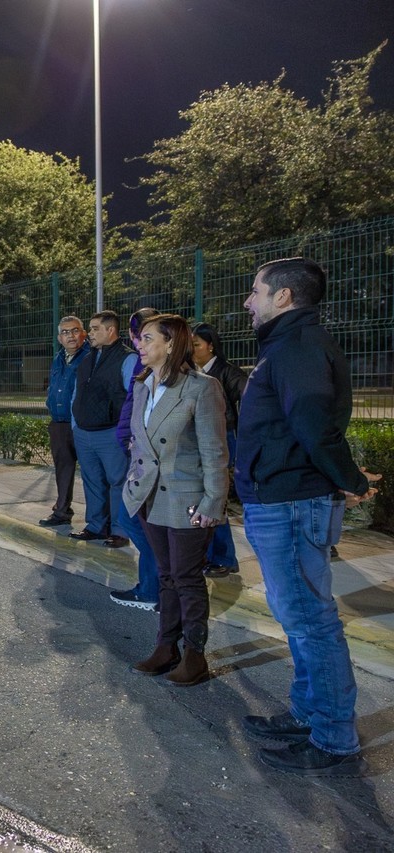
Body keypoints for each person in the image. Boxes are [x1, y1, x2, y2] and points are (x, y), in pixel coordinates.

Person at [236, 257, 380, 777]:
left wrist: (350, 480)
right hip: (284, 500)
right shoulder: (289, 344)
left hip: (291, 505)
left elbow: (314, 424)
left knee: (313, 623)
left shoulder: (296, 346)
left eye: (255, 291)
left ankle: (334, 739)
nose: (248, 301)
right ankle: (308, 715)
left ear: (284, 297)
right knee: (300, 619)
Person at [122, 315, 228, 687]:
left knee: (186, 577)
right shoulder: (142, 385)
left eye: (147, 338)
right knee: (166, 575)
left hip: (186, 498)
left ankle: (195, 656)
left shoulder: (201, 388)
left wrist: (213, 503)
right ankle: (166, 647)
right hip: (148, 495)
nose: (139, 344)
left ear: (170, 344)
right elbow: (139, 440)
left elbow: (214, 452)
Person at [108, 308, 163, 610]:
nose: (139, 345)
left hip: (151, 465)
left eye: (147, 338)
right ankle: (154, 586)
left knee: (139, 525)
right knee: (135, 523)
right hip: (137, 456)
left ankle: (156, 589)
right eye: (139, 337)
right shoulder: (145, 374)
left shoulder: (186, 382)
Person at [70, 311, 135, 546]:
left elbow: (133, 398)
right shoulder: (87, 359)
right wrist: (75, 423)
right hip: (84, 432)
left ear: (110, 330)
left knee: (118, 482)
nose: (90, 333)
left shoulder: (127, 358)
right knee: (92, 481)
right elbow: (77, 394)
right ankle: (96, 526)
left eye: (95, 328)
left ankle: (120, 531)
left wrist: (125, 431)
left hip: (111, 433)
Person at [191, 323, 248, 578]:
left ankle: (224, 557)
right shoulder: (190, 372)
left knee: (216, 498)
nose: (191, 350)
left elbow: (251, 401)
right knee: (202, 498)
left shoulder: (227, 372)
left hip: (222, 439)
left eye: (196, 345)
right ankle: (209, 554)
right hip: (199, 439)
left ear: (211, 346)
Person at [40, 317, 91, 526]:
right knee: (63, 468)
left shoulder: (90, 356)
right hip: (59, 423)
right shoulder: (58, 358)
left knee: (91, 473)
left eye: (75, 330)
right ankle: (61, 512)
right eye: (65, 332)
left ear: (84, 334)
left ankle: (98, 521)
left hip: (82, 424)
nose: (70, 335)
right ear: (59, 338)